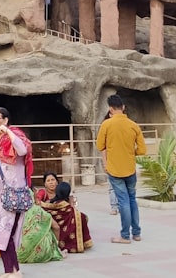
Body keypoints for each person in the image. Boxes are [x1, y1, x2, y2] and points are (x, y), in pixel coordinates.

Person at [0, 107, 33, 278]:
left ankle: (16, 270)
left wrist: (8, 132)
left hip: (13, 193)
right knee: (1, 232)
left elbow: (22, 150)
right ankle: (8, 270)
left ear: (5, 120)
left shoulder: (16, 137)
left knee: (9, 232)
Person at [96, 94, 147, 244]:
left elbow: (99, 146)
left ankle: (125, 235)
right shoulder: (133, 125)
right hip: (130, 168)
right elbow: (142, 150)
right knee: (132, 200)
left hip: (114, 169)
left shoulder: (106, 125)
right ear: (123, 107)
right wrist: (131, 152)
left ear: (110, 109)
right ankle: (136, 233)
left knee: (123, 201)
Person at [40, 181, 93, 254]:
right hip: (63, 234)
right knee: (82, 217)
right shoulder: (68, 208)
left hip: (51, 236)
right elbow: (80, 215)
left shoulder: (48, 205)